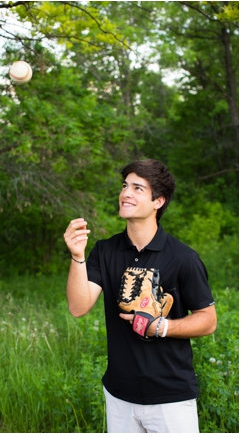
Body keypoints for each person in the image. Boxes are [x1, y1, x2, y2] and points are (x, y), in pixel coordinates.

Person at [63, 159, 216, 433]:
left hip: (171, 397)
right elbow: (78, 307)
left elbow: (208, 320)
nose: (126, 193)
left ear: (158, 200)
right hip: (119, 395)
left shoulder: (182, 258)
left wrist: (161, 327)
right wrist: (77, 256)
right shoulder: (105, 251)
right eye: (124, 186)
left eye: (137, 188)